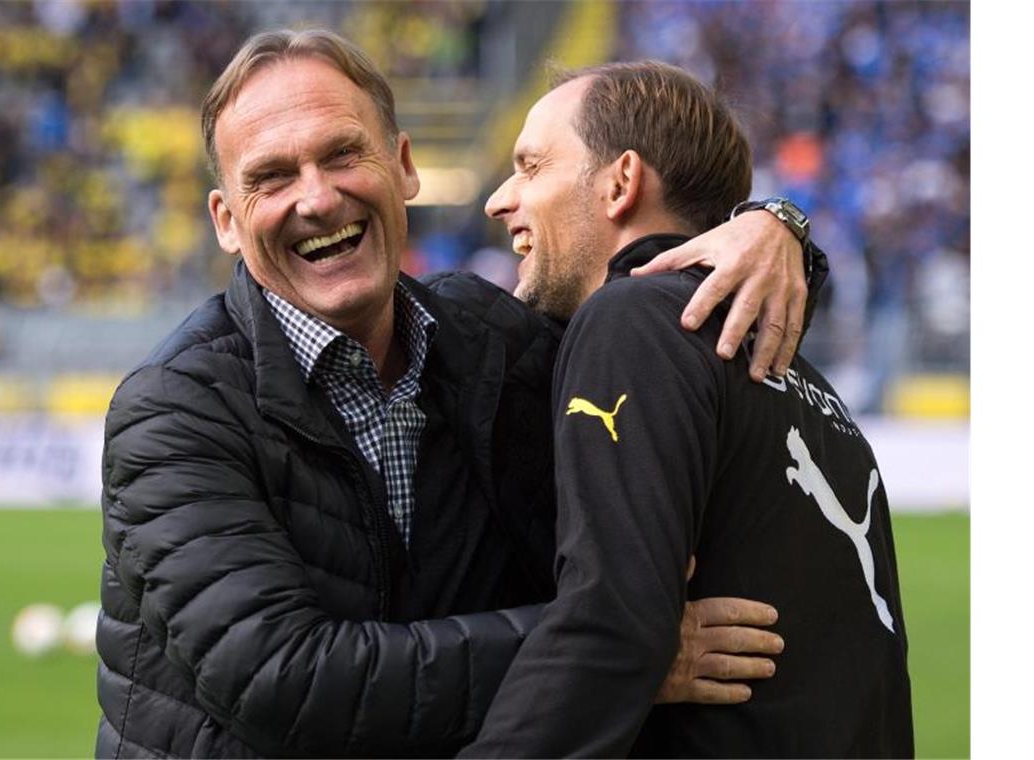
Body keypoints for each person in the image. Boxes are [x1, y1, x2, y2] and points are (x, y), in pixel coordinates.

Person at [96, 30, 820, 758]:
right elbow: (285, 680)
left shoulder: (492, 336)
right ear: (226, 220)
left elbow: (672, 322)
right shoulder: (172, 412)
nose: (316, 198)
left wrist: (775, 230)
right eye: (273, 178)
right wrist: (619, 645)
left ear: (404, 166)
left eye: (343, 155)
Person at [460, 60, 913, 758]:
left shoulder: (631, 321)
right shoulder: (815, 390)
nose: (499, 199)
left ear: (621, 182)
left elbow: (610, 624)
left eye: (530, 165)